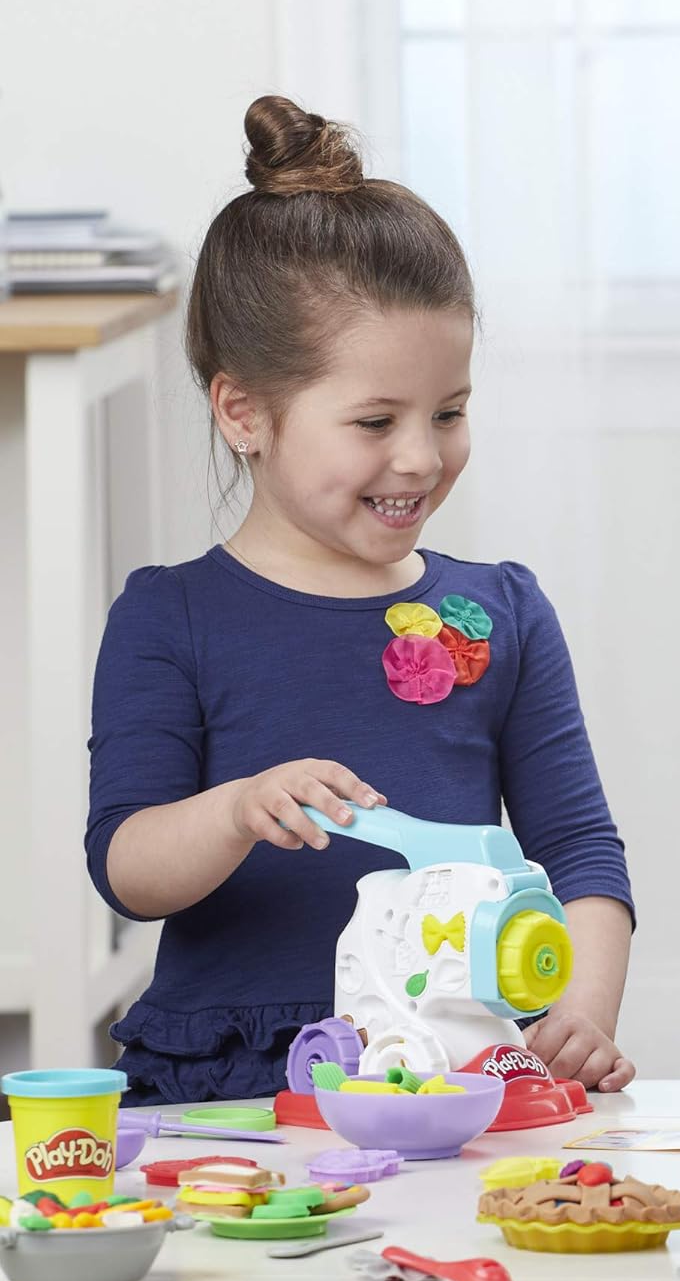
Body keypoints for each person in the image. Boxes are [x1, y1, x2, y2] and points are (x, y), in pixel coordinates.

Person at [87, 96, 635, 1103]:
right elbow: (128, 867)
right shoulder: (170, 619)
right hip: (232, 1089)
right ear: (244, 411)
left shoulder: (505, 613)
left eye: (449, 412)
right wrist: (235, 811)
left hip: (449, 1077)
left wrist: (580, 1013)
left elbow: (579, 851)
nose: (421, 457)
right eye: (376, 421)